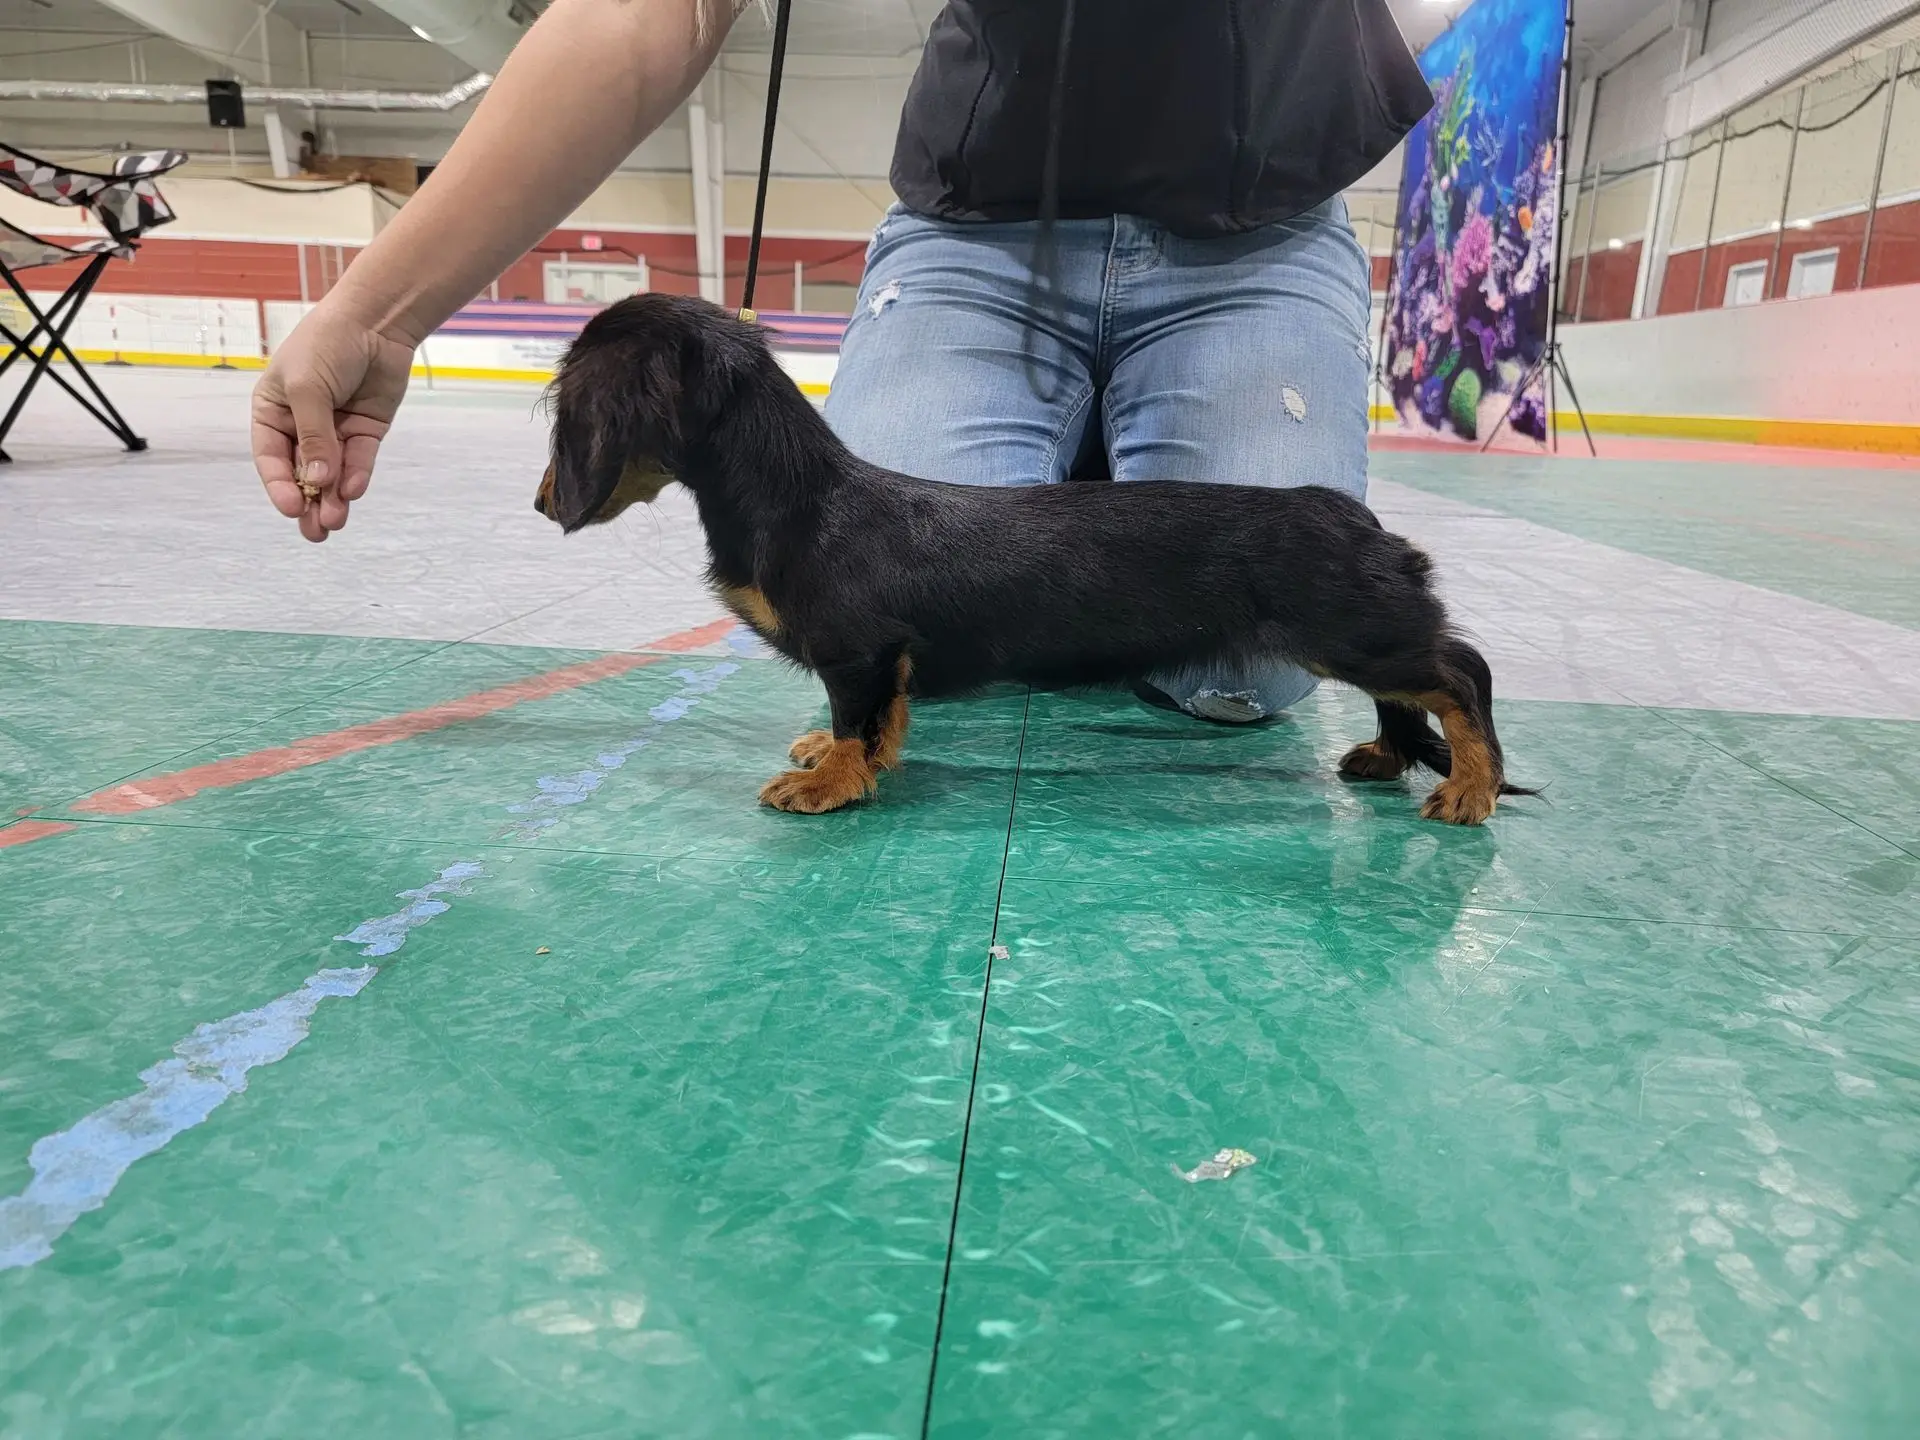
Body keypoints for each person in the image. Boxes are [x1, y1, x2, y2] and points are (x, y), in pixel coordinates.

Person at [252, 0, 1430, 722]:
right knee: (866, 610)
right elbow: (644, 10)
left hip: (1257, 231)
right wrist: (378, 316)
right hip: (979, 231)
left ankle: (1087, 468)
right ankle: (1083, 469)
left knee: (1248, 677)